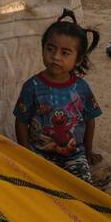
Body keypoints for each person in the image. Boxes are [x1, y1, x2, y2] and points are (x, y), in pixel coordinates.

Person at [13, 10, 102, 183]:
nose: (55, 57)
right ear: (43, 48)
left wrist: (88, 151)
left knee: (82, 189)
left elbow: (90, 119)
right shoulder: (32, 86)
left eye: (65, 53)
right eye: (50, 49)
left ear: (78, 60)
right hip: (39, 154)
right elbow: (21, 121)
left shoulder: (81, 88)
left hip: (74, 155)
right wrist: (25, 153)